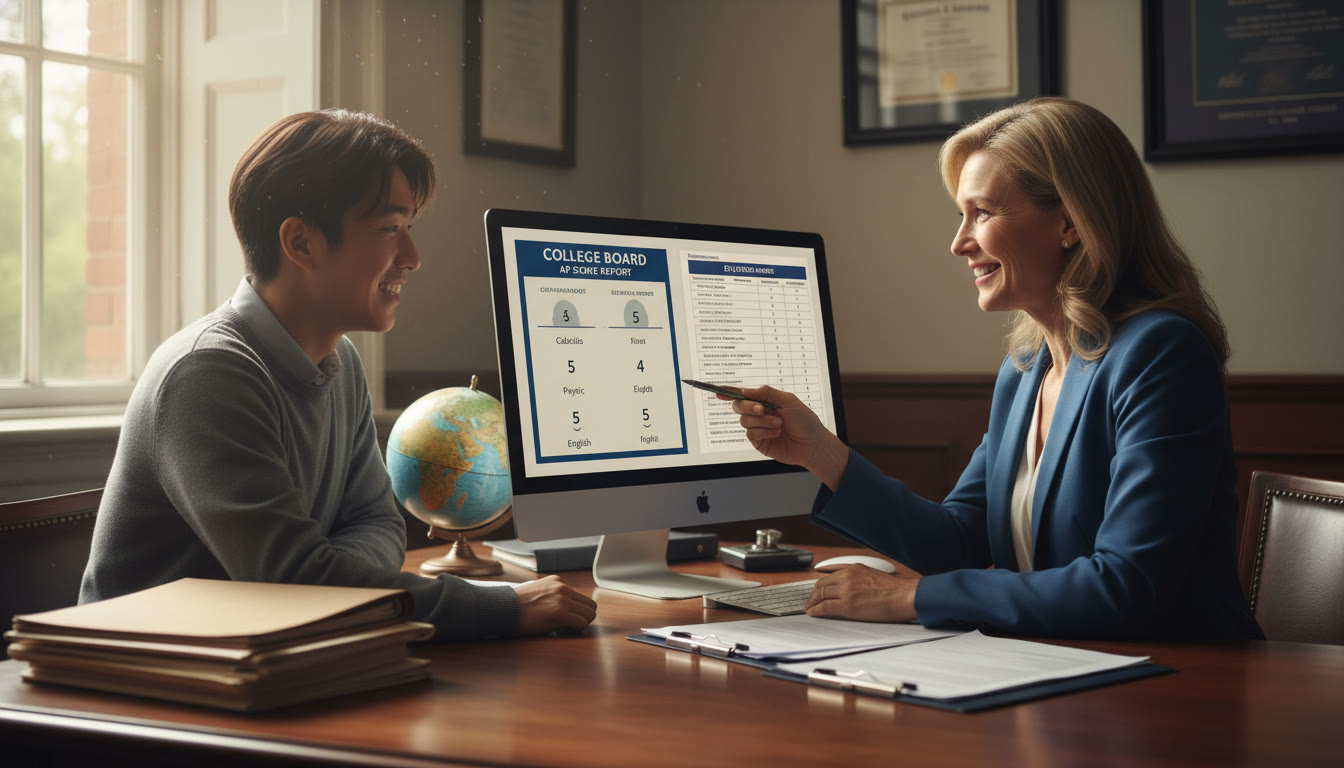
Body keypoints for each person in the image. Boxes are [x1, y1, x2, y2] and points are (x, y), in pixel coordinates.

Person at [727, 97, 1262, 642]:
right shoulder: (1025, 368)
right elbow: (958, 541)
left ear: (1071, 222)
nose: (959, 242)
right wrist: (819, 452)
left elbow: (1127, 585)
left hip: (1184, 686)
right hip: (1062, 670)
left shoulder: (1161, 354)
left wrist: (909, 597)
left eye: (982, 213)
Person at [80, 110, 597, 639]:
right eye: (389, 229)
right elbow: (294, 582)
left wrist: (331, 578)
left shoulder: (341, 362)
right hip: (145, 685)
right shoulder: (207, 373)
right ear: (301, 243)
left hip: (281, 655)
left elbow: (378, 526)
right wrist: (503, 608)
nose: (413, 257)